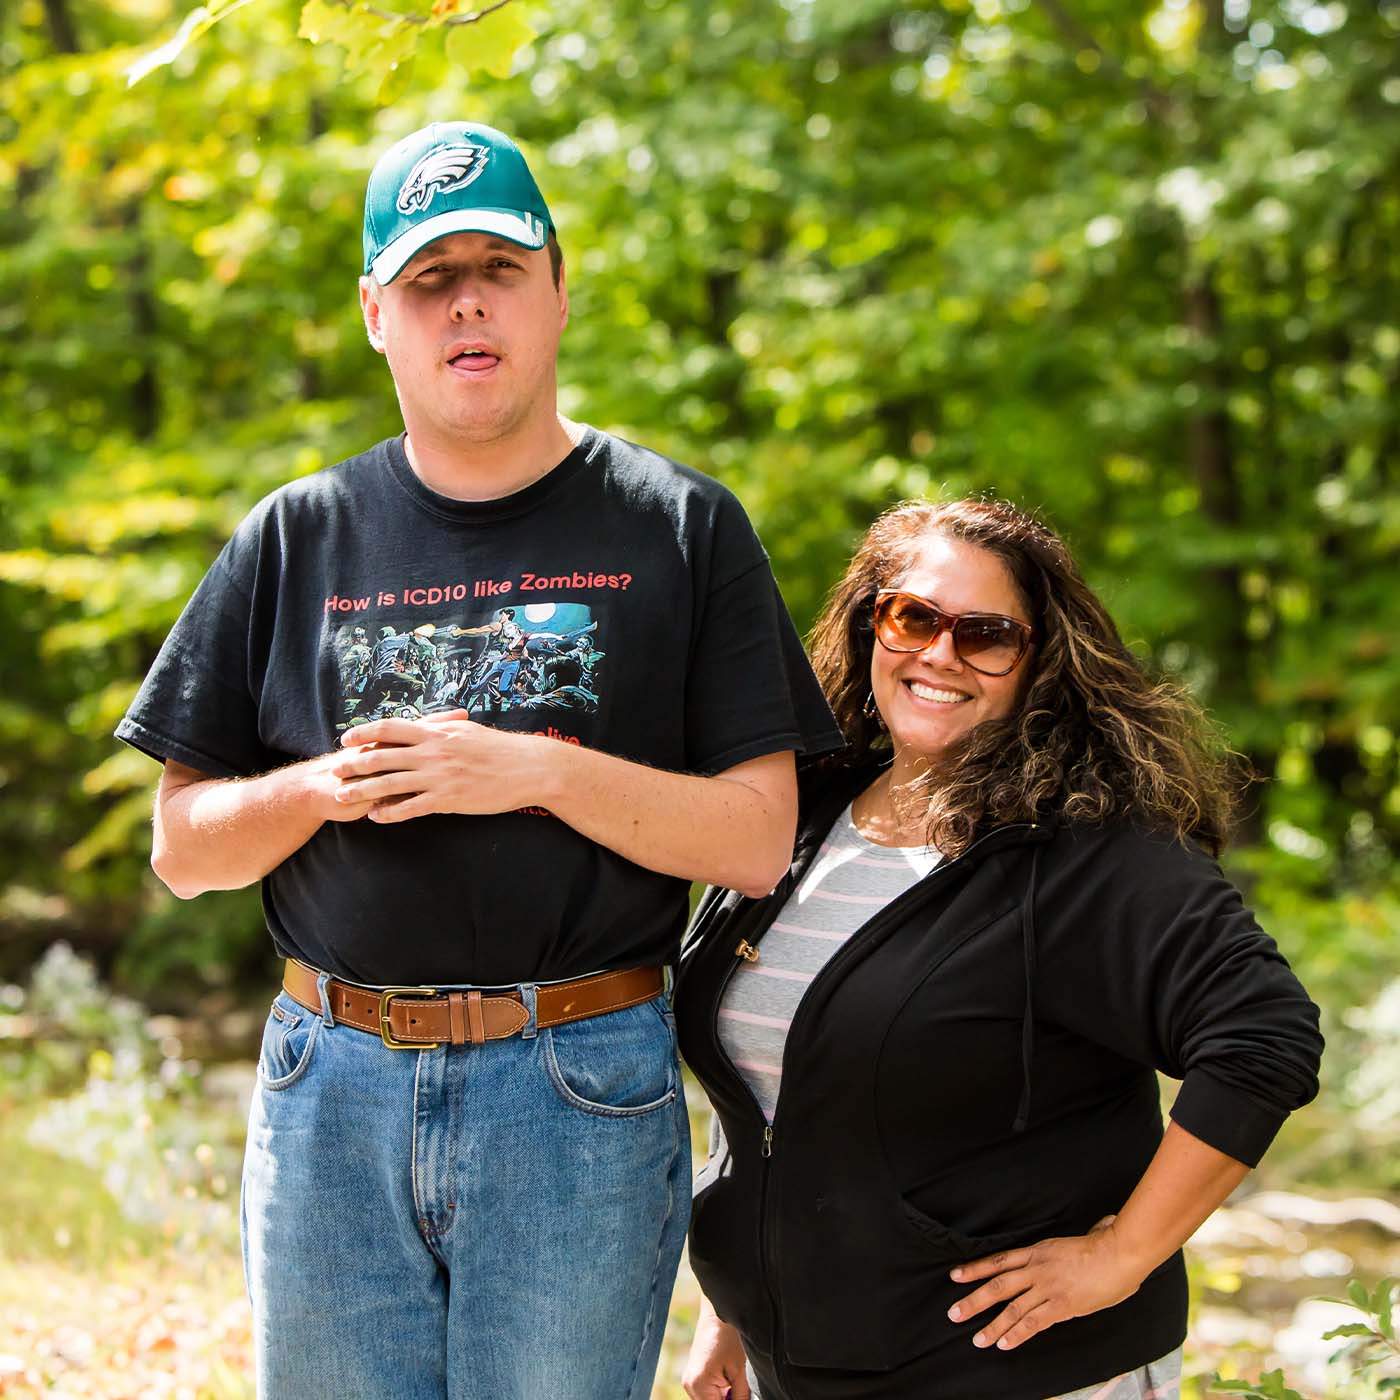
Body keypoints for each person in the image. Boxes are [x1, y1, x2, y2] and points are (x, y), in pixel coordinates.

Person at [115, 120, 843, 1400]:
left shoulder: (678, 524)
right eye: (426, 275)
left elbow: (753, 835)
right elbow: (183, 852)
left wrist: (534, 770)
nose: (465, 301)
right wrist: (320, 786)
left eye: (497, 268)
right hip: (326, 1086)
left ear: (557, 290)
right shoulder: (296, 535)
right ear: (374, 314)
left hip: (575, 1083)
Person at [675, 498, 1323, 1400]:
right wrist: (732, 1311)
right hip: (805, 1363)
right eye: (913, 618)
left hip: (1021, 1370)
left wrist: (1123, 1255)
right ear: (869, 627)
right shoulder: (794, 819)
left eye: (987, 635)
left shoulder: (1085, 852)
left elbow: (1265, 1035)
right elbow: (777, 1098)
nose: (941, 654)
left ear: (1037, 664)